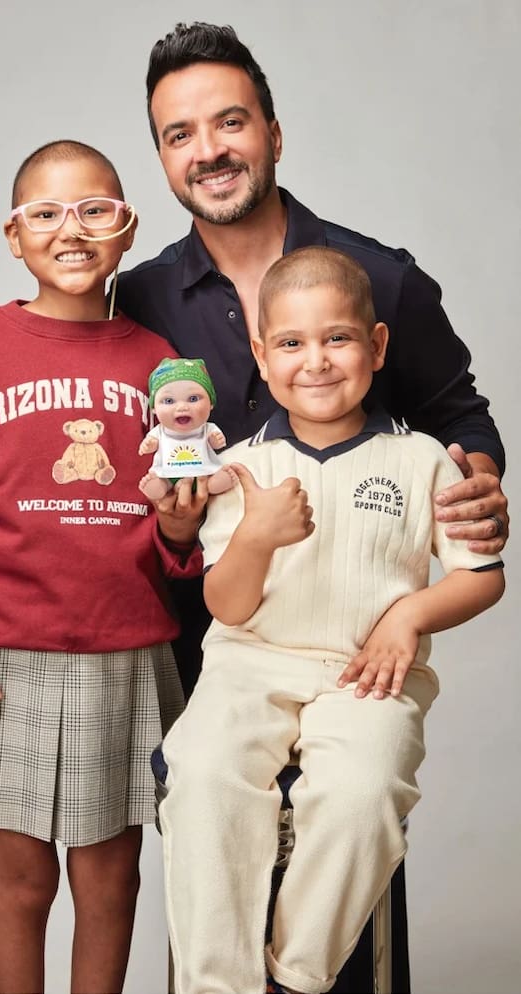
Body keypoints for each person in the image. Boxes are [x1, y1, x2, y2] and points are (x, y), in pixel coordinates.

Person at [0, 21, 509, 994]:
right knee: (201, 852)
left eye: (228, 121)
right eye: (179, 133)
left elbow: (456, 415)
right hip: (203, 643)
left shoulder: (374, 275)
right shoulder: (139, 299)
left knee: (344, 831)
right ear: (162, 158)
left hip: (346, 638)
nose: (208, 147)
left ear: (269, 128)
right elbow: (17, 395)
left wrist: (472, 486)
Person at [0, 139, 208, 994]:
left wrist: (180, 534)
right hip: (4, 656)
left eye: (95, 209)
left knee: (111, 877)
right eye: (47, 214)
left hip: (126, 650)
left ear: (128, 228)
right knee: (23, 883)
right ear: (14, 235)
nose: (73, 230)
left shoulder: (161, 363)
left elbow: (173, 520)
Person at [158, 246, 505, 994]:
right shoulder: (242, 469)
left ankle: (299, 973)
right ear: (260, 353)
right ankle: (218, 983)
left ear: (377, 346)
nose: (315, 362)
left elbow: (484, 578)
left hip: (366, 676)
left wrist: (411, 612)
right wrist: (254, 534)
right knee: (204, 775)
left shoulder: (423, 461)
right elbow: (225, 605)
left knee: (365, 789)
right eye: (290, 343)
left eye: (338, 338)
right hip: (247, 668)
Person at [138, 356, 236, 499]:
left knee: (212, 480)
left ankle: (214, 484)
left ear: (211, 403)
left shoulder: (207, 428)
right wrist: (149, 445)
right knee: (160, 482)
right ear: (154, 408)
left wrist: (215, 439)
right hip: (169, 474)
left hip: (203, 472)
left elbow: (216, 445)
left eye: (193, 399)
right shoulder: (159, 431)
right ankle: (160, 486)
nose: (182, 407)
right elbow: (152, 445)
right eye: (169, 401)